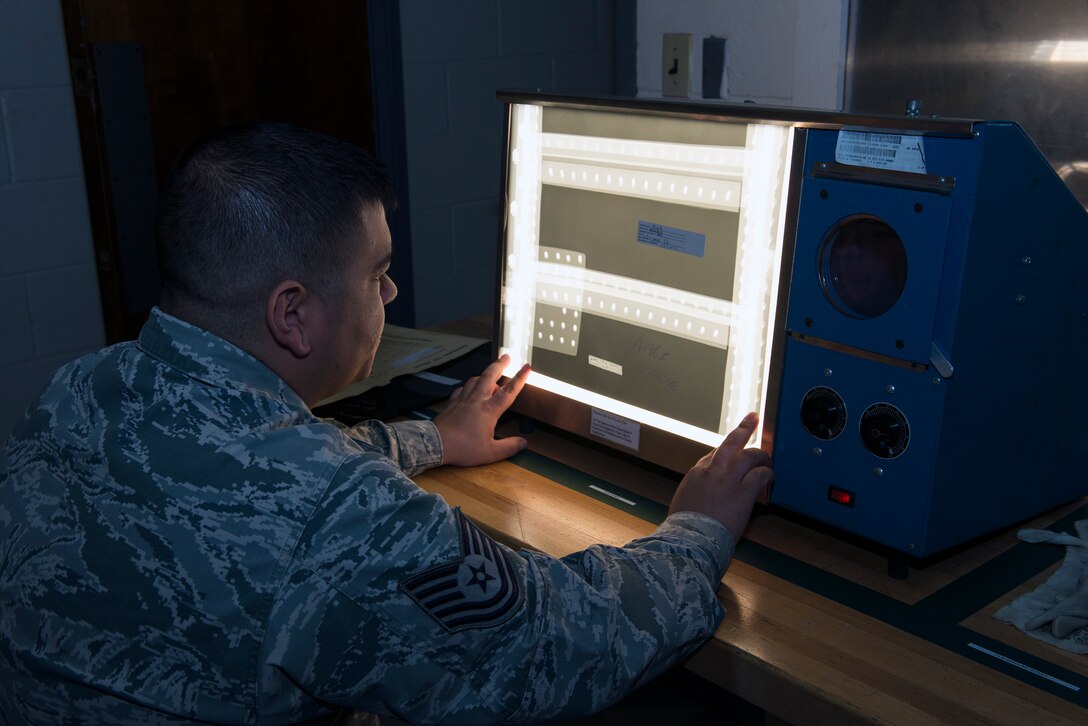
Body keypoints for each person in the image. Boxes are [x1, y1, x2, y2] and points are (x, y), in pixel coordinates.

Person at [0, 123, 773, 724]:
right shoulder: (340, 514)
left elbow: (239, 460)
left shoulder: (82, 385)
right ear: (293, 314)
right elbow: (564, 642)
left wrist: (433, 438)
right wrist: (696, 532)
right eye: (377, 273)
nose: (394, 290)